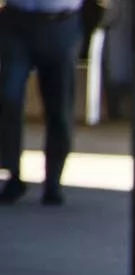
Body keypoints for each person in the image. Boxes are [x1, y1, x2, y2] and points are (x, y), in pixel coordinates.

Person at [0, 0, 84, 205]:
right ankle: (13, 173)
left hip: (61, 21)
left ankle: (53, 180)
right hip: (17, 21)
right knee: (8, 97)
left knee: (59, 105)